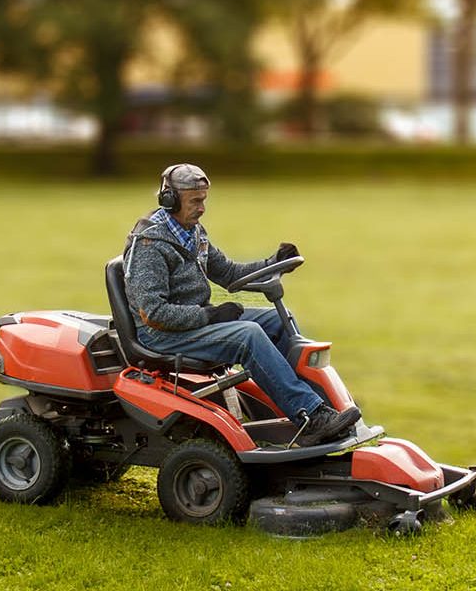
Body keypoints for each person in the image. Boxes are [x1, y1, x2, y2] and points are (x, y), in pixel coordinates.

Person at [122, 163, 361, 446]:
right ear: (169, 199)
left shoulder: (192, 232)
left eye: (204, 200)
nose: (202, 208)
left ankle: (320, 411)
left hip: (192, 323)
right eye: (195, 201)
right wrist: (209, 316)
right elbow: (154, 315)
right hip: (163, 334)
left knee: (278, 321)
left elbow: (229, 273)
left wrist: (274, 263)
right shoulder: (150, 244)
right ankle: (309, 416)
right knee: (248, 335)